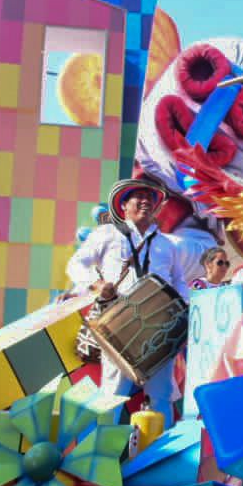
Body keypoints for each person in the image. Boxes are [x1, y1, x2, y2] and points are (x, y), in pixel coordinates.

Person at [65, 178, 210, 423]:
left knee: (161, 394)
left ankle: (159, 453)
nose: (145, 202)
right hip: (119, 323)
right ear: (124, 206)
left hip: (158, 327)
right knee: (113, 392)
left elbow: (179, 282)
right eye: (139, 197)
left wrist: (186, 310)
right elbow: (76, 264)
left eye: (150, 198)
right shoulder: (107, 234)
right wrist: (98, 285)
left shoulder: (166, 244)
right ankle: (102, 452)